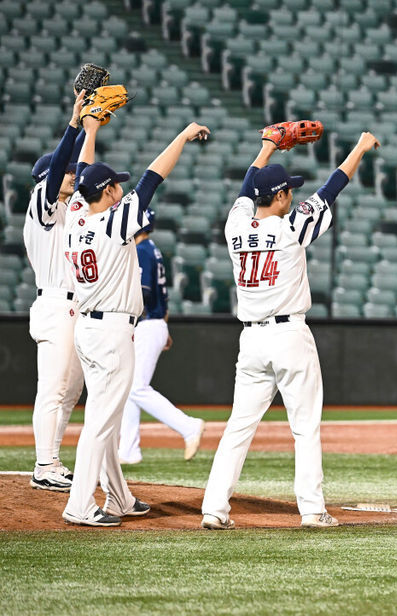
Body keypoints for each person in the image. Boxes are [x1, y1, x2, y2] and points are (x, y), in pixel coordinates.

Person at [201, 129, 380, 530]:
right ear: (280, 197)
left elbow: (248, 186)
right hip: (288, 336)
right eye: (289, 193)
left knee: (238, 427)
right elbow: (332, 187)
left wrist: (266, 145)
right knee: (304, 427)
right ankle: (312, 510)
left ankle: (214, 508)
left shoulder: (235, 227)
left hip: (250, 339)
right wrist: (360, 149)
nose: (294, 198)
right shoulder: (289, 229)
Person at [62, 115, 210, 527]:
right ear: (108, 192)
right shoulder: (113, 222)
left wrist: (88, 131)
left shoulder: (76, 217)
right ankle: (79, 505)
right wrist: (181, 134)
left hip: (88, 329)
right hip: (111, 332)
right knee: (99, 424)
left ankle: (119, 497)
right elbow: (153, 177)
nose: (122, 189)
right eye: (116, 185)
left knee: (105, 420)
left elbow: (81, 176)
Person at [23, 90, 87, 491]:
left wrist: (92, 122)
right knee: (54, 387)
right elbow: (63, 160)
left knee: (70, 392)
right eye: (65, 172)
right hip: (54, 304)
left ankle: (53, 460)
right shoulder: (40, 204)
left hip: (75, 308)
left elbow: (74, 161)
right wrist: (75, 122)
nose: (72, 175)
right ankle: (43, 464)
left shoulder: (67, 208)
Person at [118, 211, 206, 465]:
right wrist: (162, 327)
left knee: (136, 388)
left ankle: (188, 426)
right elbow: (162, 297)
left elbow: (142, 293)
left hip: (147, 323)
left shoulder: (142, 250)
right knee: (131, 387)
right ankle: (128, 449)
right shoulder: (152, 249)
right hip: (154, 323)